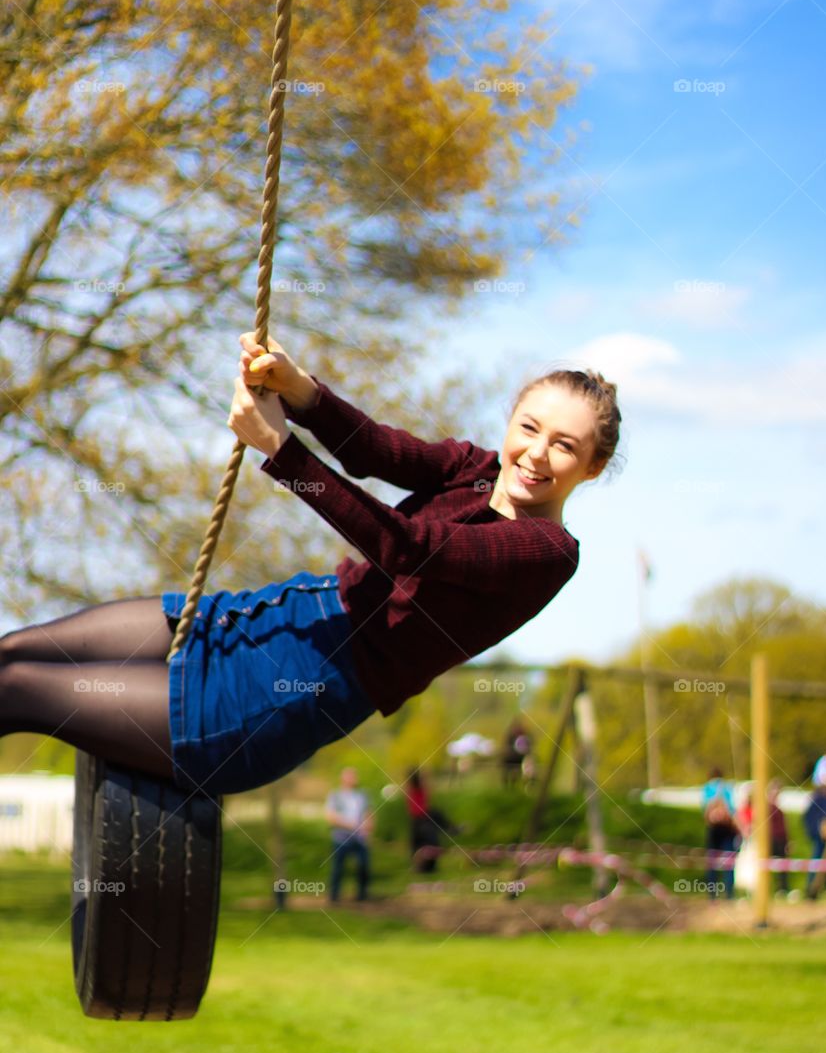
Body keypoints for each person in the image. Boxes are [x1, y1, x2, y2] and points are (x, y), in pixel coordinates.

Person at [0, 332, 621, 798]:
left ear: (591, 467)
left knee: (16, 690)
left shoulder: (545, 554)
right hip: (280, 613)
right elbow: (374, 449)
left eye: (564, 445)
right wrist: (301, 390)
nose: (536, 453)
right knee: (12, 653)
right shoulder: (476, 468)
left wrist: (279, 449)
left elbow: (407, 547)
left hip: (290, 687)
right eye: (529, 427)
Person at [326, 766, 372, 902]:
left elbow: (368, 813)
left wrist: (367, 828)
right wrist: (352, 824)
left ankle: (362, 896)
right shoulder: (336, 796)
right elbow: (331, 816)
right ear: (343, 778)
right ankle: (334, 896)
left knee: (363, 866)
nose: (354, 779)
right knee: (338, 868)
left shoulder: (362, 796)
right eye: (350, 776)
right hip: (341, 838)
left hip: (360, 838)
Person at [804, 749, 826, 899]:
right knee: (819, 857)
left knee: (822, 858)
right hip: (819, 833)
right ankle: (813, 887)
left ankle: (821, 886)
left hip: (820, 832)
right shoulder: (820, 798)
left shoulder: (822, 798)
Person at [702, 767, 739, 899]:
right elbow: (733, 810)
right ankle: (730, 893)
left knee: (712, 862)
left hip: (713, 830)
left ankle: (712, 895)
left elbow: (705, 810)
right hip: (728, 830)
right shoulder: (727, 787)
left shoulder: (707, 788)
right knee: (729, 862)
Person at [767, 778, 790, 895]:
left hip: (781, 840)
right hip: (770, 840)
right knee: (766, 867)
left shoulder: (778, 808)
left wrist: (788, 841)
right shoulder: (766, 808)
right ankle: (767, 890)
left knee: (783, 866)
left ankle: (782, 890)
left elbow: (783, 827)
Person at [501, 720, 532, 788]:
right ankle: (507, 787)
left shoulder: (524, 736)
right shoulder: (511, 737)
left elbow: (528, 748)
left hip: (519, 759)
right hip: (509, 758)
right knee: (507, 774)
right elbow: (507, 747)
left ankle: (517, 786)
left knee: (518, 774)